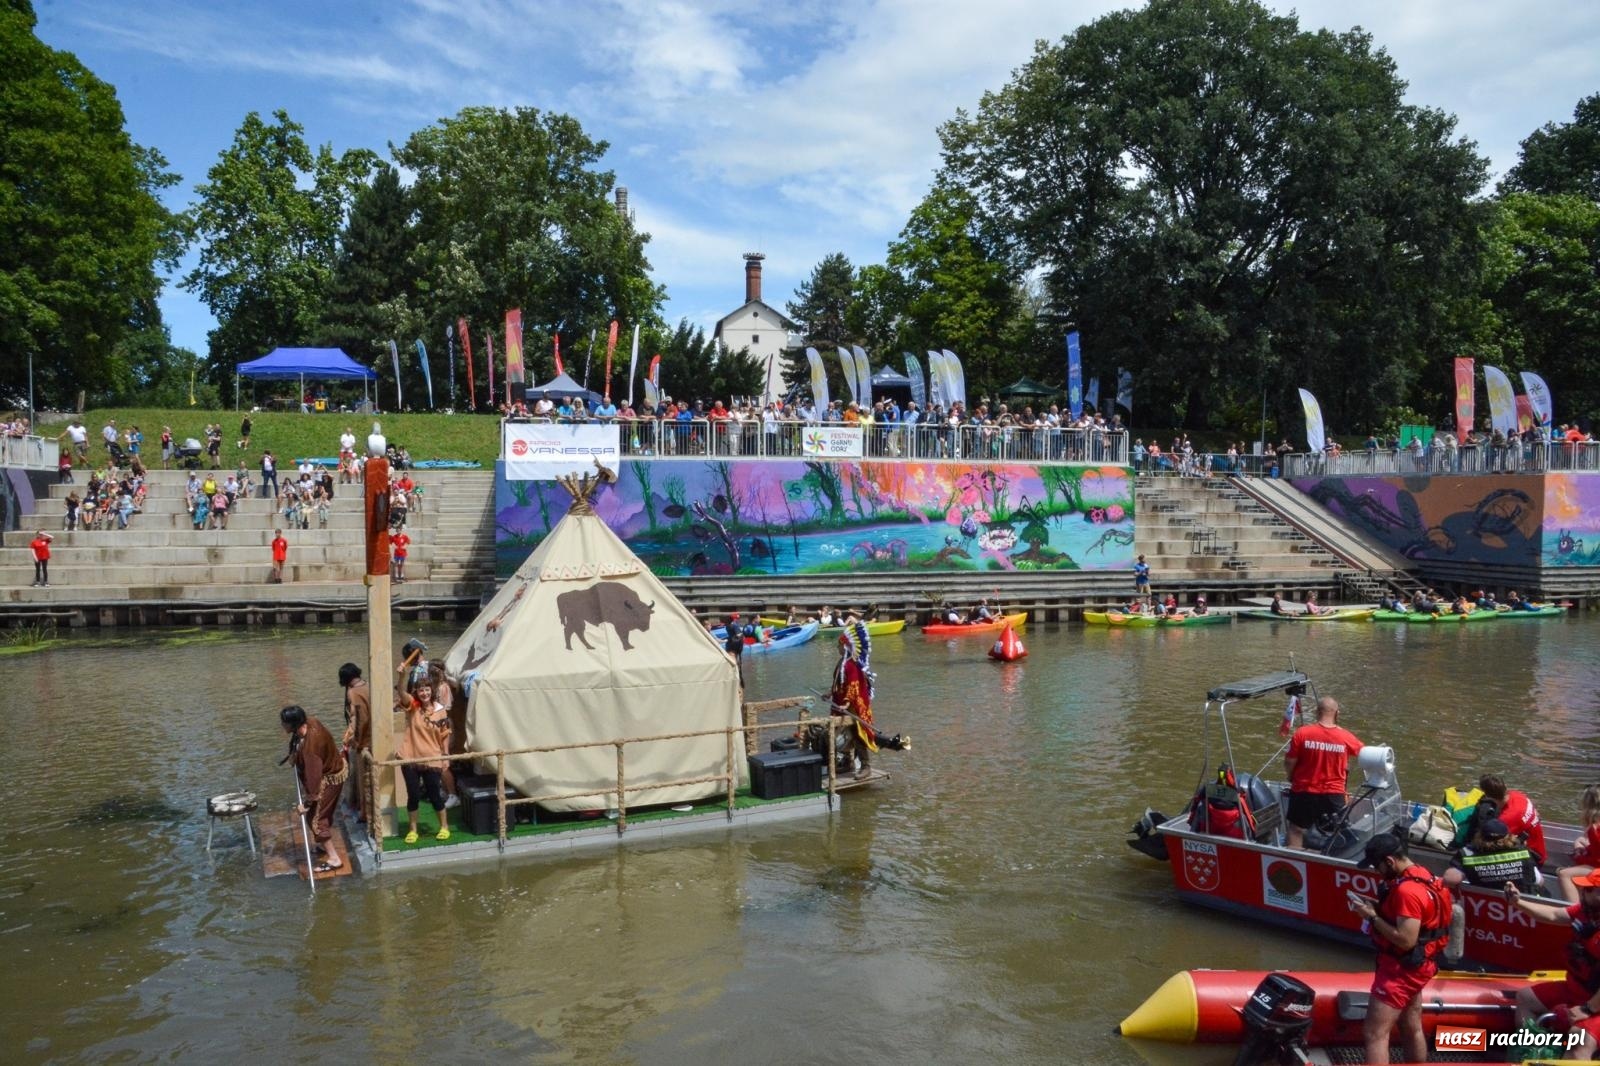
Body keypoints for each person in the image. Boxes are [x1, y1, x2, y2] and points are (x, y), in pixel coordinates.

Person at [1347, 834, 1454, 1065]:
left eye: (1377, 866)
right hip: (1419, 964)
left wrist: (1371, 917)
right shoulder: (1424, 875)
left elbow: (1405, 940)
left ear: (1390, 861)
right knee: (1411, 1024)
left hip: (1400, 970)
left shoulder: (1407, 892)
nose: (1377, 872)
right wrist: (1377, 908)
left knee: (1375, 1033)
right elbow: (1417, 920)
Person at [1505, 873, 1600, 1059]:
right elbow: (1553, 914)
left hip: (1595, 1001)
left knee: (1580, 1039)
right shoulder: (1585, 912)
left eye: (1589, 889)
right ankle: (1534, 1053)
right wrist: (1518, 903)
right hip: (1578, 988)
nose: (1582, 891)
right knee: (1526, 998)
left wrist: (1587, 1009)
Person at [1283, 696, 1363, 849]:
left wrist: (1291, 776)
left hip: (1304, 790)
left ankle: (1293, 857)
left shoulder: (1302, 733)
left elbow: (1289, 761)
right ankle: (1330, 860)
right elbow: (1364, 754)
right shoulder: (1345, 736)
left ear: (1316, 712)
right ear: (1337, 713)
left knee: (1296, 829)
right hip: (1334, 794)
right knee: (1338, 833)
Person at [828, 623, 907, 777]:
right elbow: (839, 683)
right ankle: (848, 762)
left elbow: (854, 685)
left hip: (853, 707)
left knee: (858, 734)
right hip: (840, 705)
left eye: (839, 645)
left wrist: (847, 703)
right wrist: (829, 693)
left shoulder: (852, 665)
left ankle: (866, 766)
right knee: (843, 733)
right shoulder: (842, 663)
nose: (837, 648)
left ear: (845, 646)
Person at [279, 705, 347, 872]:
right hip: (333, 769)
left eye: (284, 723)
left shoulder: (310, 750)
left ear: (294, 724)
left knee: (315, 819)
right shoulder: (310, 722)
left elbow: (313, 780)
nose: (282, 725)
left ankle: (334, 859)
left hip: (329, 779)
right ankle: (324, 846)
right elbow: (297, 740)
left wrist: (307, 804)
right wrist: (294, 754)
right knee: (323, 813)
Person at [397, 679, 451, 843]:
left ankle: (444, 827)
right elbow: (401, 691)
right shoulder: (413, 706)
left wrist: (445, 756)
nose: (424, 693)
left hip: (432, 757)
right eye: (421, 690)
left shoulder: (440, 710)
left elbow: (445, 734)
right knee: (413, 795)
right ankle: (413, 830)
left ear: (431, 690)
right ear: (416, 692)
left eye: (427, 689)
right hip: (410, 756)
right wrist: (402, 675)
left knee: (434, 794)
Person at [1443, 817, 1541, 894]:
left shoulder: (1468, 854)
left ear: (1480, 836)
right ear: (1508, 836)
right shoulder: (1523, 852)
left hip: (1483, 906)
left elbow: (1449, 880)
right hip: (1521, 908)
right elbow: (1539, 881)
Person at [1477, 773, 1547, 863]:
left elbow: (1491, 844)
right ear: (1504, 787)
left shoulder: (1506, 819)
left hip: (1532, 858)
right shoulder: (1517, 795)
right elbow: (1537, 815)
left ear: (1487, 796)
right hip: (1540, 850)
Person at [337, 662, 372, 822]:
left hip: (363, 742)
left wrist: (353, 741)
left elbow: (358, 720)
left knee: (360, 779)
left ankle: (363, 813)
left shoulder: (353, 692)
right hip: (375, 738)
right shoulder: (369, 685)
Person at [1561, 786, 1600, 903]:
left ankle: (1575, 910)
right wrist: (1586, 850)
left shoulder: (1594, 828)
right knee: (1579, 841)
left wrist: (1580, 856)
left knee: (1564, 874)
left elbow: (1597, 861)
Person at [722, 611, 748, 684]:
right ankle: (737, 677)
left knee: (731, 660)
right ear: (734, 619)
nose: (738, 620)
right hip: (735, 645)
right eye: (737, 618)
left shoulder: (727, 625)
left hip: (729, 645)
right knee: (736, 661)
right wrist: (743, 634)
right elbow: (738, 635)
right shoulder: (734, 625)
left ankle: (731, 676)